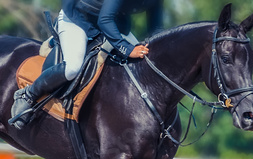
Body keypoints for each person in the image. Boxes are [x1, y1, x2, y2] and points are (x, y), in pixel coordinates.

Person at [10, 0, 164, 129]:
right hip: (78, 19)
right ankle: (29, 94)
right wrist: (128, 49)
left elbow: (155, 29)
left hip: (113, 23)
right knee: (72, 68)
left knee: (144, 65)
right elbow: (104, 20)